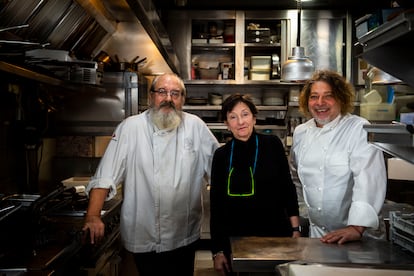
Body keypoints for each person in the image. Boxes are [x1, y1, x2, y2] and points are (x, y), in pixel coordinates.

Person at [82, 73, 220, 276]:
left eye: (175, 94)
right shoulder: (131, 127)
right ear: (151, 96)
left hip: (184, 233)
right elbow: (106, 174)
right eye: (162, 92)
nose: (168, 99)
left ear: (182, 99)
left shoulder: (195, 126)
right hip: (143, 232)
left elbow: (221, 170)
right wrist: (93, 215)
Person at [290, 69, 387, 245]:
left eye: (328, 96)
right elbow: (296, 179)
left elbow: (368, 180)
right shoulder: (301, 132)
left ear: (341, 98)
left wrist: (357, 227)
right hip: (318, 234)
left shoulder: (358, 128)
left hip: (358, 236)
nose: (320, 103)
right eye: (314, 96)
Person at [210, 94, 301, 276]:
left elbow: (287, 188)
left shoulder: (272, 144)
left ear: (254, 117)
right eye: (233, 117)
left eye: (245, 114)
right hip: (235, 241)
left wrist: (295, 229)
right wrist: (217, 251)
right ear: (227, 124)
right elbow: (217, 205)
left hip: (275, 236)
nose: (240, 121)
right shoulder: (221, 155)